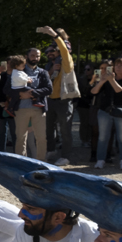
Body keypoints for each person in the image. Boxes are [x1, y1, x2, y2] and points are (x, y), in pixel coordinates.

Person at [40, 26, 78, 165]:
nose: (49, 53)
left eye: (52, 50)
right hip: (49, 100)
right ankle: (51, 150)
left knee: (65, 129)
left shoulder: (66, 63)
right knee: (48, 128)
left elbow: (65, 50)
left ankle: (66, 156)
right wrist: (50, 71)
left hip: (64, 100)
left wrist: (55, 35)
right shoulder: (48, 66)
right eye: (47, 51)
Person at [91, 57, 122, 169]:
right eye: (116, 65)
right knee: (102, 137)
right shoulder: (107, 78)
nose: (117, 67)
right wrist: (101, 81)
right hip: (105, 110)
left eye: (121, 65)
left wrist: (112, 81)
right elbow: (93, 92)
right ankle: (100, 160)